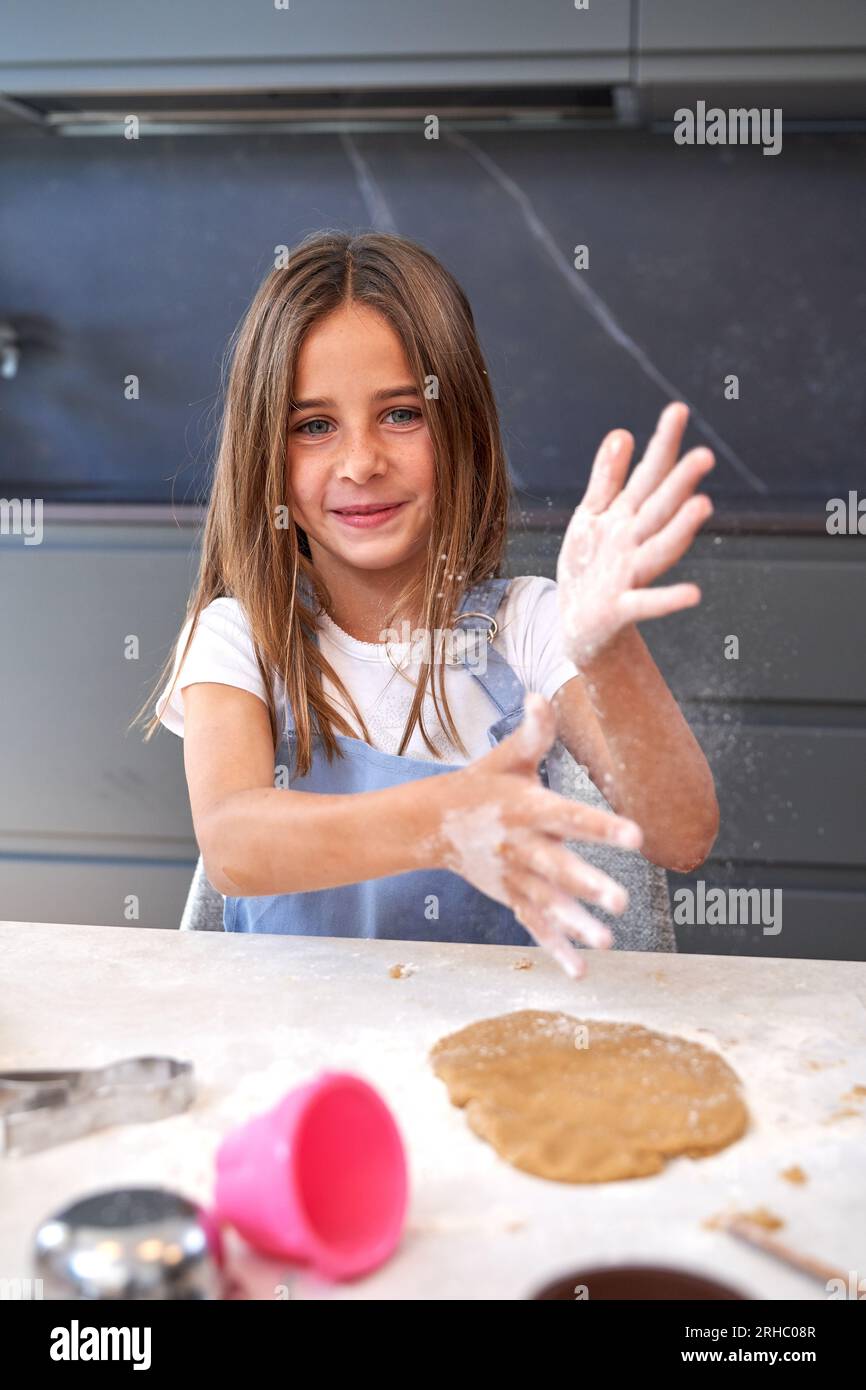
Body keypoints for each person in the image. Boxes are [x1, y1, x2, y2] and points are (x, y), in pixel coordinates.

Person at [134, 230, 718, 977]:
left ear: (463, 428)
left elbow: (681, 832)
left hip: (491, 1062)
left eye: (402, 413)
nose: (361, 461)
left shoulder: (529, 627)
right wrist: (447, 821)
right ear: (263, 456)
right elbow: (236, 847)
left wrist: (608, 651)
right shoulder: (239, 639)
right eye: (314, 426)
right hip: (298, 1061)